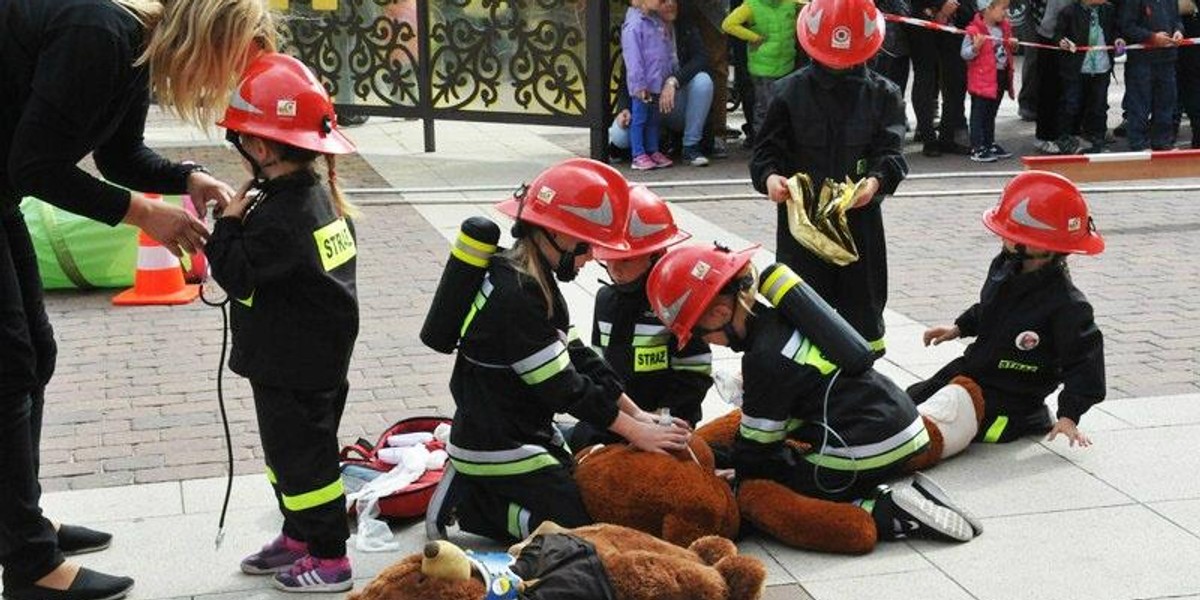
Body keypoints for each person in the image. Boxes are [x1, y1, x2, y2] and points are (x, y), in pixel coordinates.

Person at [1, 0, 270, 598]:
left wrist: (187, 177)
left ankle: (22, 522)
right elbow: (37, 165)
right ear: (207, 36)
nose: (220, 81)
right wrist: (144, 214)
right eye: (227, 63)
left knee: (34, 355)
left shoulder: (136, 46)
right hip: (10, 183)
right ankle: (29, 566)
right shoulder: (99, 32)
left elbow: (119, 156)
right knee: (10, 369)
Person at [427, 158, 691, 544]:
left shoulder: (537, 283)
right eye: (586, 245)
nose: (590, 258)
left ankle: (489, 493)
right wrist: (634, 431)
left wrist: (640, 415)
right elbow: (563, 388)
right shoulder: (515, 297)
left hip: (524, 430)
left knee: (590, 498)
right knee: (580, 526)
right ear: (556, 234)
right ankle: (475, 506)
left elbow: (581, 358)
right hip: (496, 444)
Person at [646, 242, 979, 543]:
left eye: (700, 333)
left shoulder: (762, 359)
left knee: (770, 487)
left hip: (870, 444)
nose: (705, 341)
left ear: (720, 314)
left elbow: (761, 451)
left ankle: (886, 511)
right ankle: (917, 498)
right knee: (783, 458)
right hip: (901, 421)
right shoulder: (786, 321)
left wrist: (721, 466)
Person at [207, 53, 360, 593]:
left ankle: (330, 557)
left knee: (306, 465)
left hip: (294, 365)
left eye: (243, 141)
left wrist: (225, 225)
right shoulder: (313, 196)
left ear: (263, 148)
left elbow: (236, 276)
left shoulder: (280, 215)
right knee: (288, 456)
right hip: (310, 360)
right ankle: (298, 535)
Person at [750, 0, 908, 352]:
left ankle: (861, 393)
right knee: (802, 321)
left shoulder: (883, 94)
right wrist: (770, 179)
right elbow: (766, 154)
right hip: (801, 227)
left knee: (863, 324)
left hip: (859, 225)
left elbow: (892, 155)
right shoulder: (789, 92)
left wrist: (876, 182)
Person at [908, 171, 1106, 446]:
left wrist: (1069, 415)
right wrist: (959, 327)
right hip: (974, 368)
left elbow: (1085, 364)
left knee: (958, 429)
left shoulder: (1068, 306)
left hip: (1014, 395)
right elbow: (990, 308)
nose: (1002, 236)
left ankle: (1032, 419)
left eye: (1011, 232)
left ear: (1042, 243)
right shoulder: (1005, 267)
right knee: (910, 403)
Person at [569, 185, 710, 449]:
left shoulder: (675, 302)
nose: (615, 269)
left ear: (655, 254)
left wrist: (666, 414)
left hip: (668, 420)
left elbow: (696, 371)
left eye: (625, 260)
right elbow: (598, 364)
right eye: (609, 259)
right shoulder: (605, 300)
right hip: (617, 418)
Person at [610, 0, 716, 166]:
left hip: (674, 102)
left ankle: (690, 146)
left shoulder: (684, 25)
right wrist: (623, 108)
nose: (670, 4)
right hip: (647, 96)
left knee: (703, 81)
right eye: (663, 1)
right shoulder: (639, 26)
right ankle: (641, 152)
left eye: (673, 0)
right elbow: (630, 70)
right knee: (621, 137)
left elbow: (701, 58)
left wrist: (674, 81)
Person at [721, 0, 800, 147]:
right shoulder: (752, 5)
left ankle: (772, 145)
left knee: (774, 108)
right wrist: (753, 37)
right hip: (765, 68)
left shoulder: (789, 3)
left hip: (785, 65)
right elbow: (728, 24)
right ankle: (764, 145)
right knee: (766, 109)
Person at [1055, 0, 1121, 154]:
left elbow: (1116, 31)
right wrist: (1061, 41)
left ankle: (1097, 137)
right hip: (1077, 67)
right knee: (1071, 103)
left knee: (1099, 105)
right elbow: (1058, 34)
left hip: (1101, 66)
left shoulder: (1108, 10)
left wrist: (1119, 40)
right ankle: (1067, 137)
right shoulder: (1069, 11)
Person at [910, 0, 974, 155]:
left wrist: (953, 9)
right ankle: (928, 139)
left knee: (956, 81)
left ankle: (947, 136)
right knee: (925, 79)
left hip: (956, 23)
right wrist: (940, 9)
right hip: (923, 19)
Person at [1120, 0, 1185, 150]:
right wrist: (1151, 37)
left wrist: (1178, 31)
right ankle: (1138, 144)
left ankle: (1162, 142)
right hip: (1142, 61)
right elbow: (1126, 26)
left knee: (1166, 103)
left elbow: (1177, 20)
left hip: (1167, 59)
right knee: (1139, 105)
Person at [622, 0, 677, 170]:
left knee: (654, 119)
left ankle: (652, 150)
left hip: (656, 82)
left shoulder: (655, 22)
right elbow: (633, 58)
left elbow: (665, 51)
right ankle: (638, 154)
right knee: (639, 119)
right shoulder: (634, 25)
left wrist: (667, 75)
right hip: (643, 84)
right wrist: (638, 84)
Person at [962, 0, 1017, 162]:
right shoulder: (974, 31)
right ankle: (977, 147)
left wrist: (1013, 46)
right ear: (988, 9)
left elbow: (1008, 51)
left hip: (999, 77)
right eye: (1003, 8)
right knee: (979, 115)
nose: (1006, 12)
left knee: (991, 114)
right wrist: (975, 48)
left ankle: (989, 143)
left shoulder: (1004, 29)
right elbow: (964, 54)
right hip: (981, 80)